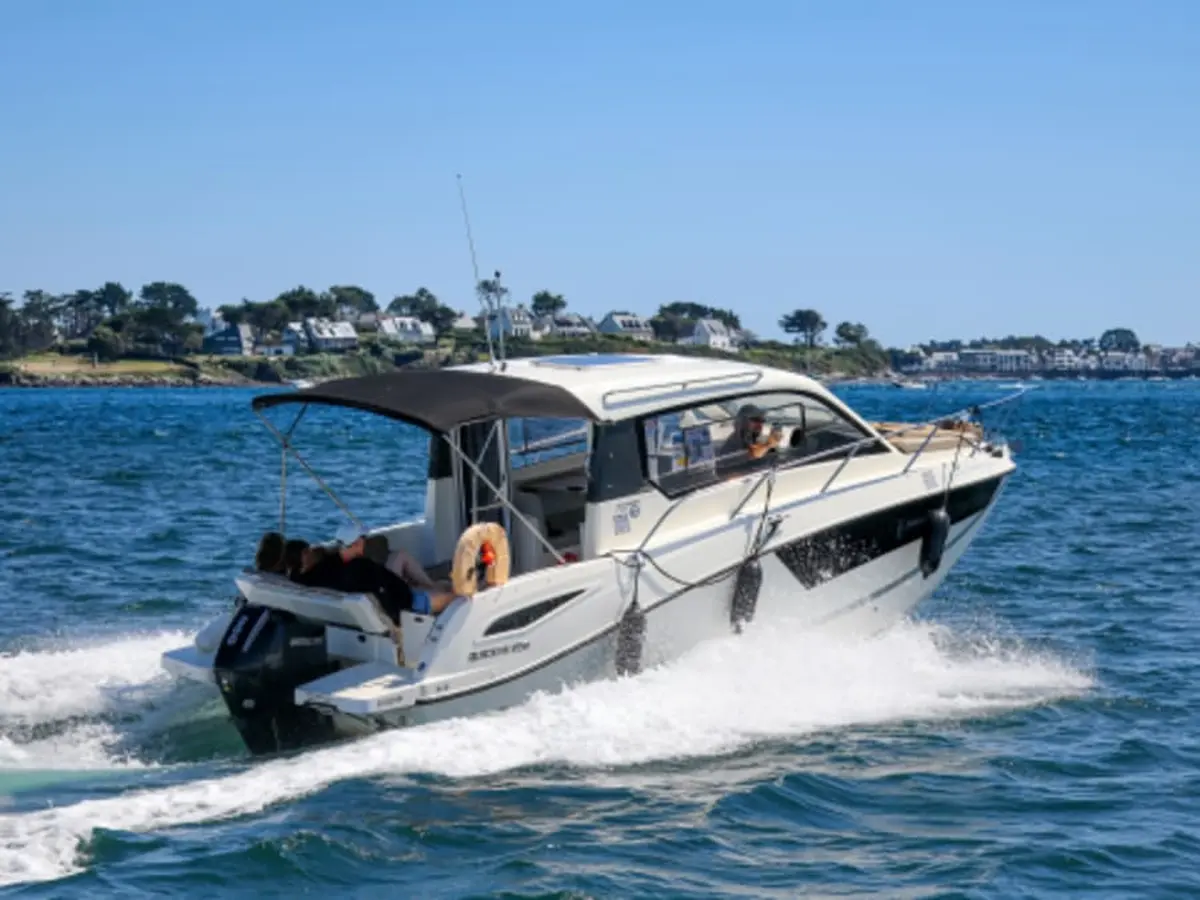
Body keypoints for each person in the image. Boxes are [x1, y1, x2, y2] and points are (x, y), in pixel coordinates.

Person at [717, 403, 782, 474]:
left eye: (761, 421)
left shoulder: (756, 441)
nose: (760, 426)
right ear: (741, 422)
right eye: (755, 420)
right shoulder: (730, 449)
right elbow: (750, 456)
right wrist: (768, 445)